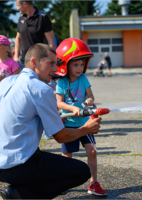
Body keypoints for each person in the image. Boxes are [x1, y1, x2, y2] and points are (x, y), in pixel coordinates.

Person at [0, 43, 101, 199]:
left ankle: (21, 188)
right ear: (34, 62)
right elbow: (61, 137)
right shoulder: (41, 88)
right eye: (51, 63)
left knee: (40, 156)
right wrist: (86, 129)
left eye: (56, 63)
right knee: (81, 171)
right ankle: (21, 193)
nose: (56, 69)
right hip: (15, 166)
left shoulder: (5, 82)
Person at [55, 38, 107, 196]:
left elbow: (90, 95)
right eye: (75, 64)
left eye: (82, 64)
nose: (79, 68)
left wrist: (89, 100)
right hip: (69, 124)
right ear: (65, 65)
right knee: (67, 157)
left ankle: (93, 183)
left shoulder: (83, 79)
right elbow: (59, 103)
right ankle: (64, 183)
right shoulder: (62, 82)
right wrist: (72, 108)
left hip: (85, 124)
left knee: (92, 152)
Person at [14, 0, 55, 71]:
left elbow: (51, 41)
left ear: (24, 4)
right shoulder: (21, 18)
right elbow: (18, 38)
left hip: (39, 63)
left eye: (18, 6)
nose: (17, 8)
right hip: (23, 63)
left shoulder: (43, 17)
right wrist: (16, 56)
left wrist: (51, 59)